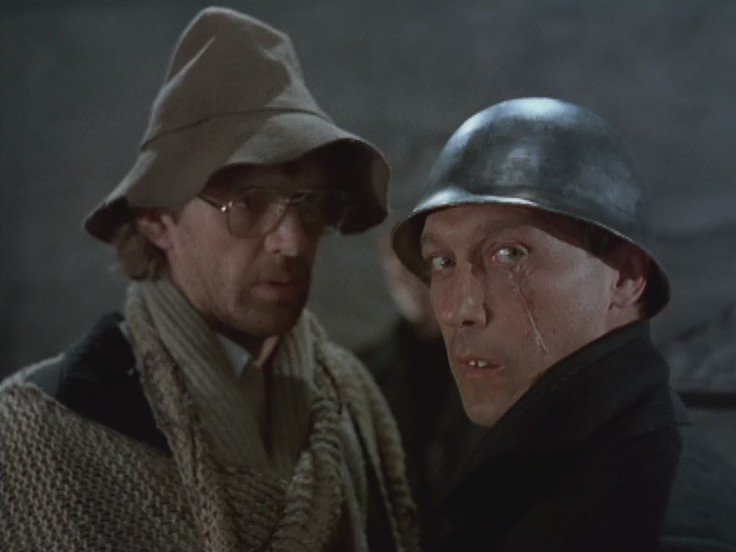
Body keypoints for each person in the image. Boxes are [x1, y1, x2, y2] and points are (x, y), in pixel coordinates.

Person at [0, 7, 418, 551]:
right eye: (249, 202)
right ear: (157, 218)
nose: (292, 242)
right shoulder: (43, 426)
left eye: (311, 205)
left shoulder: (353, 399)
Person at [391, 97, 736, 551]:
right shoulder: (547, 477)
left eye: (509, 255)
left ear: (624, 278)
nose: (460, 309)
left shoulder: (660, 518)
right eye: (442, 262)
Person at [358, 220, 481, 550]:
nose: (403, 282)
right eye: (393, 270)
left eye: (412, 270)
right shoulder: (362, 370)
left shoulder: (488, 364)